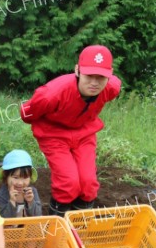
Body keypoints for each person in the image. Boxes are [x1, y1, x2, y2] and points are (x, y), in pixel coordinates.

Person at [20, 45, 121, 216]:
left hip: (84, 133)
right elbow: (26, 112)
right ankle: (57, 225)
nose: (95, 83)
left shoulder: (112, 88)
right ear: (77, 70)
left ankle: (79, 226)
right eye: (89, 76)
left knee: (88, 183)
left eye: (101, 77)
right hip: (54, 134)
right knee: (68, 182)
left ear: (109, 75)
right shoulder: (52, 93)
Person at [0, 149, 42, 219]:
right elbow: (1, 219)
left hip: (29, 229)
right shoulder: (1, 195)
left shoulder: (32, 192)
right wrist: (12, 202)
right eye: (16, 177)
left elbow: (38, 216)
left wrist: (30, 202)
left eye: (25, 177)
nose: (20, 183)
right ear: (6, 177)